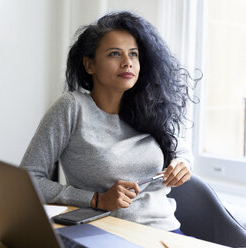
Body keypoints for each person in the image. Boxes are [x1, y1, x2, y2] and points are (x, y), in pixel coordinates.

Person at [20, 11, 198, 233]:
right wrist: (96, 199)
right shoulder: (72, 107)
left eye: (134, 54)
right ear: (89, 65)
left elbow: (183, 153)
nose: (127, 63)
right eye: (115, 54)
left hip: (165, 231)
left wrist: (183, 165)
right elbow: (28, 180)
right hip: (102, 232)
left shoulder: (153, 107)